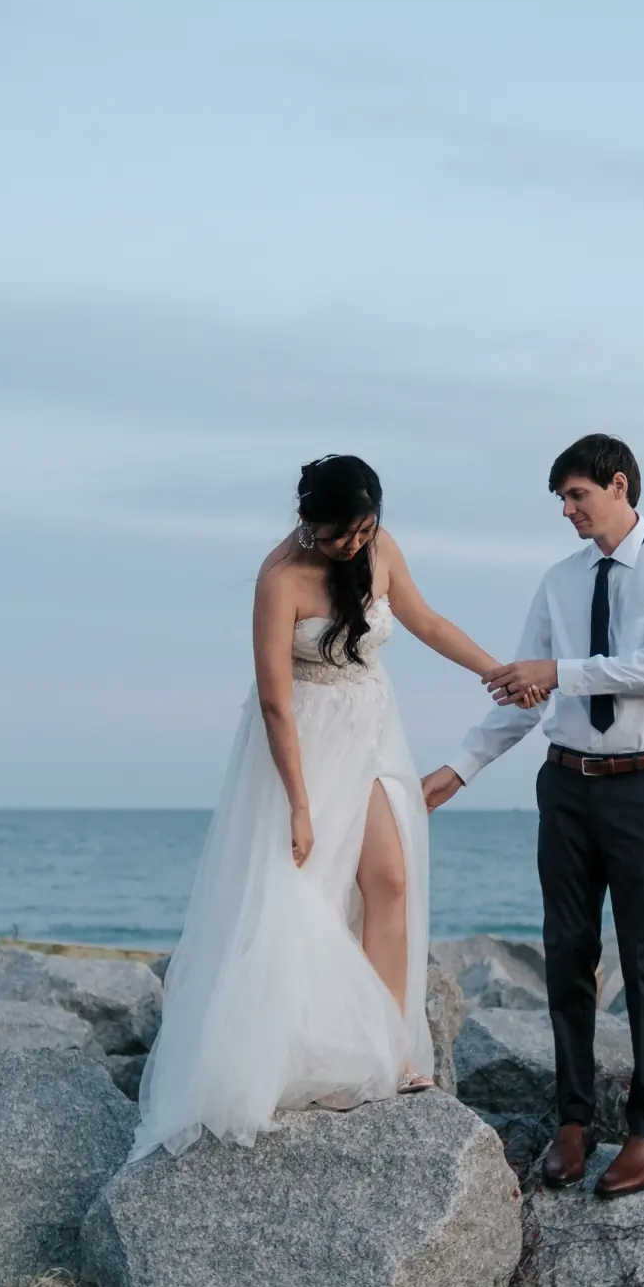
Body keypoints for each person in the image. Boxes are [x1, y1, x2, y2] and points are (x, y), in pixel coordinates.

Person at [131, 455, 513, 1160]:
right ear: (309, 525)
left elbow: (425, 620)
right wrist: (299, 804)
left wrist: (493, 670)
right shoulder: (278, 580)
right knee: (297, 893)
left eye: (365, 529)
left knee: (389, 881)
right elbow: (275, 699)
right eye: (341, 533)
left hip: (369, 729)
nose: (355, 543)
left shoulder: (377, 544)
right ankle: (304, 1051)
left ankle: (388, 1050)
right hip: (300, 743)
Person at [422, 434, 644, 1200]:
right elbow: (525, 691)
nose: (567, 510)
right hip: (566, 788)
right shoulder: (558, 581)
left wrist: (559, 673)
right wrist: (460, 767)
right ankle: (574, 1120)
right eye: (561, 499)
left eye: (577, 495)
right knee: (566, 957)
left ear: (619, 485)